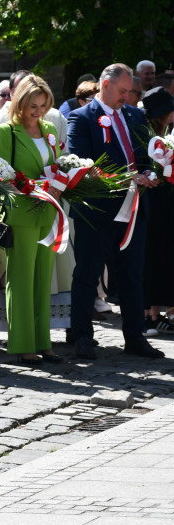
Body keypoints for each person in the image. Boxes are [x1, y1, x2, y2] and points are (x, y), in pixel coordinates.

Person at [67, 63, 162, 360]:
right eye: (122, 91)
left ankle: (135, 337)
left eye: (130, 91)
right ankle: (81, 336)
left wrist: (150, 172)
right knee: (87, 273)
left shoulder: (135, 115)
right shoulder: (81, 117)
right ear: (104, 85)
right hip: (96, 212)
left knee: (133, 275)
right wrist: (123, 178)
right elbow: (79, 162)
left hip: (134, 211)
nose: (127, 97)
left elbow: (144, 155)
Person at [0, 75, 64, 365]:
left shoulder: (48, 129)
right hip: (20, 212)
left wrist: (64, 179)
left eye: (43, 105)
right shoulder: (6, 131)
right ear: (19, 103)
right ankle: (22, 343)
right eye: (33, 105)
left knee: (43, 279)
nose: (38, 111)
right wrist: (33, 186)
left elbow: (57, 165)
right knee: (20, 279)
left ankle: (42, 341)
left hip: (49, 211)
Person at [141, 87, 174, 334]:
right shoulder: (146, 133)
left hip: (168, 201)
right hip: (152, 200)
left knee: (165, 256)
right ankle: (150, 314)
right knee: (152, 254)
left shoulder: (168, 132)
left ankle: (161, 312)